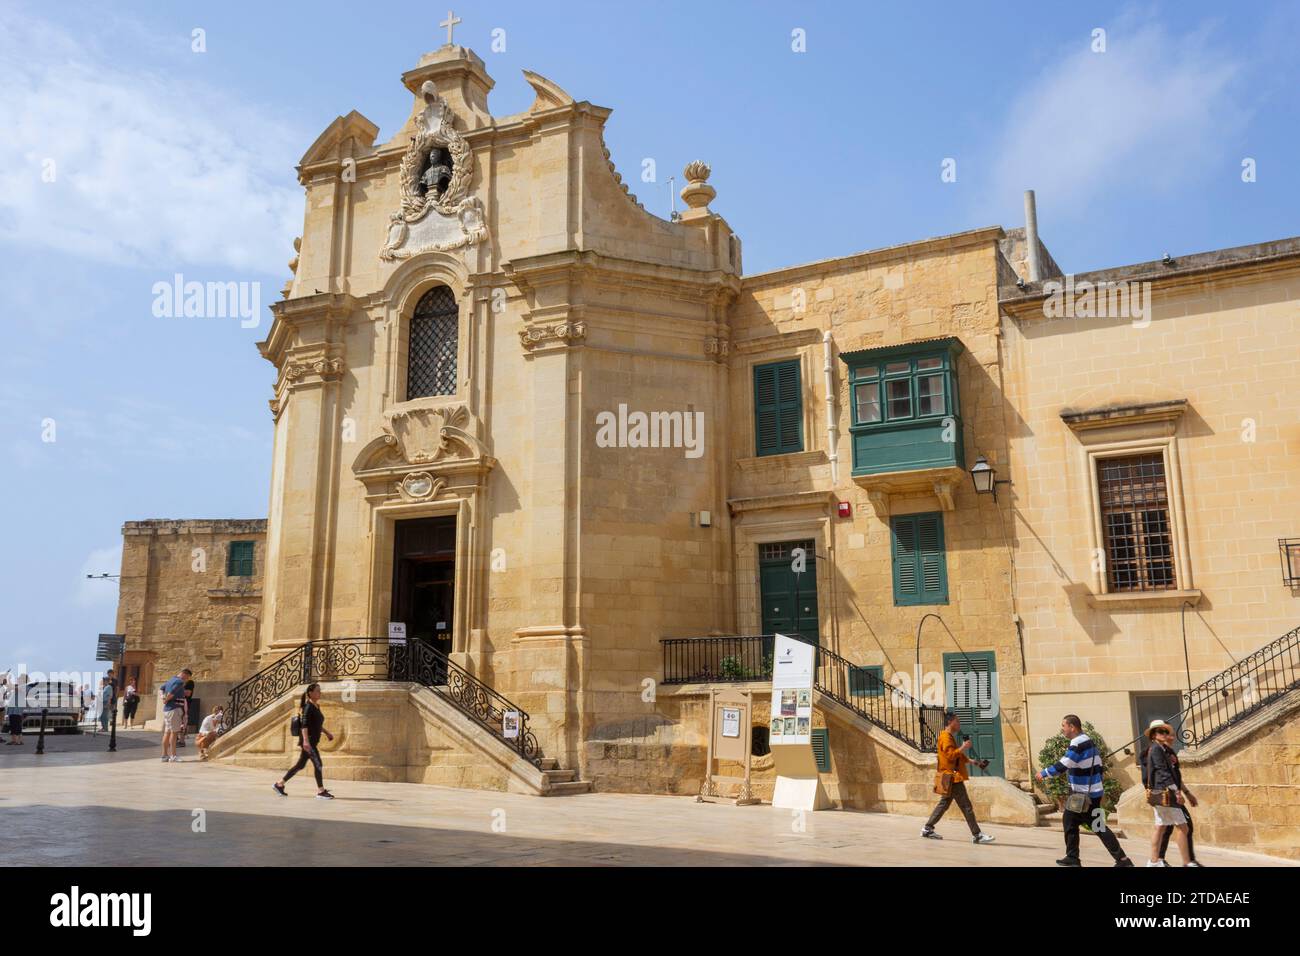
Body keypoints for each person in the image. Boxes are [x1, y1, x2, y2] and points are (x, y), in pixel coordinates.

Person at [1038, 714, 1135, 867]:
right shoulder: (1088, 740)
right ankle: (1076, 858)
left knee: (1087, 825)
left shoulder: (1077, 743)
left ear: (1072, 727)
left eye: (1064, 726)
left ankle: (1119, 860)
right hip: (1093, 793)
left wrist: (1044, 773)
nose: (1062, 729)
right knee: (1078, 822)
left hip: (1083, 795)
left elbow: (1065, 764)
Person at [920, 711, 996, 844]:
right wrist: (964, 746)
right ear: (950, 722)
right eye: (957, 721)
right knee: (966, 806)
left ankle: (927, 829)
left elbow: (955, 756)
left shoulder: (948, 736)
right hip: (953, 778)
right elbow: (950, 755)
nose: (959, 724)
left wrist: (973, 762)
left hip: (949, 777)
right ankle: (977, 835)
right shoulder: (945, 737)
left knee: (944, 804)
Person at [1144, 720, 1199, 867]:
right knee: (1183, 828)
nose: (1165, 734)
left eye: (1166, 731)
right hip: (1165, 793)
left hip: (1162, 793)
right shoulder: (1156, 749)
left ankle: (1154, 861)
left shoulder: (1161, 749)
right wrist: (1177, 792)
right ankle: (1186, 862)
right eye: (1161, 732)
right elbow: (1163, 772)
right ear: (1154, 735)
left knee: (1160, 827)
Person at [273, 683, 334, 799]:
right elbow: (304, 726)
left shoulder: (316, 706)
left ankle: (279, 784)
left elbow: (317, 724)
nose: (319, 693)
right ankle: (321, 791)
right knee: (318, 765)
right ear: (310, 693)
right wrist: (305, 741)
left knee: (300, 765)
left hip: (311, 742)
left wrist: (327, 733)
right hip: (309, 743)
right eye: (317, 691)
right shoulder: (308, 707)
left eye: (320, 691)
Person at [160, 667, 191, 763]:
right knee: (174, 732)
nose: (186, 680)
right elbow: (172, 693)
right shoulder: (179, 682)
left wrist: (163, 698)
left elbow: (161, 688)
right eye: (187, 678)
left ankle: (164, 756)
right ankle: (173, 755)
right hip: (174, 709)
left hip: (168, 710)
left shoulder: (170, 680)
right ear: (184, 674)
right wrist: (166, 699)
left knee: (167, 733)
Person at [177, 679, 196, 748]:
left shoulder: (189, 684)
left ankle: (181, 741)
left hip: (185, 706)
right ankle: (178, 740)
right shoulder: (183, 685)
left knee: (182, 724)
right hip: (182, 706)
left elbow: (188, 693)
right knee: (180, 724)